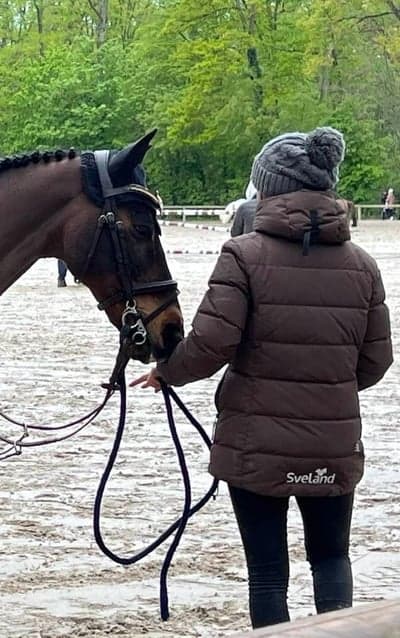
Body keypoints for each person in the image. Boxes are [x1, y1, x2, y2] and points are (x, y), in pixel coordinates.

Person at [131, 127, 393, 628]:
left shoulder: (242, 255)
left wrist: (167, 373)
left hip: (255, 444)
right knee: (332, 560)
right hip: (333, 442)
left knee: (268, 573)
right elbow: (376, 363)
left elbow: (212, 345)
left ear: (266, 187)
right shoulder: (363, 264)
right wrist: (326, 388)